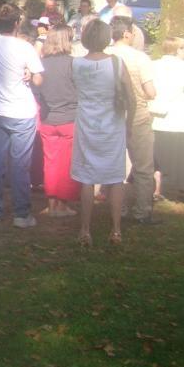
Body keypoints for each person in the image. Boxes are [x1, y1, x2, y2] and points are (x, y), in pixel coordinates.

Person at [72, 20, 134, 246]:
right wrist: (130, 123)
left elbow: (75, 89)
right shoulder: (116, 63)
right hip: (113, 124)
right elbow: (130, 96)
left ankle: (85, 230)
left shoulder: (76, 64)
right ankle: (116, 230)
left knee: (87, 179)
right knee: (115, 177)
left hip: (87, 122)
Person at [0, 3, 44, 228]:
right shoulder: (24, 47)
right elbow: (38, 80)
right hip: (21, 111)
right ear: (17, 23)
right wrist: (29, 75)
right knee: (20, 165)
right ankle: (21, 213)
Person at [107, 15, 159, 224]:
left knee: (114, 165)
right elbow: (150, 91)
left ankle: (119, 208)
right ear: (127, 34)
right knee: (143, 166)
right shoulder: (139, 58)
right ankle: (142, 211)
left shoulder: (104, 55)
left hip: (111, 117)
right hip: (136, 116)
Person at [33, 23, 80, 218]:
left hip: (48, 119)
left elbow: (36, 90)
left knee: (50, 162)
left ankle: (51, 203)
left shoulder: (41, 64)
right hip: (69, 118)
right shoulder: (74, 63)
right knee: (67, 163)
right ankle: (63, 204)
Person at [150, 37, 184, 204]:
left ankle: (157, 189)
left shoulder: (153, 65)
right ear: (178, 49)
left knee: (158, 157)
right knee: (183, 155)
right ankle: (183, 190)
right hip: (179, 118)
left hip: (157, 117)